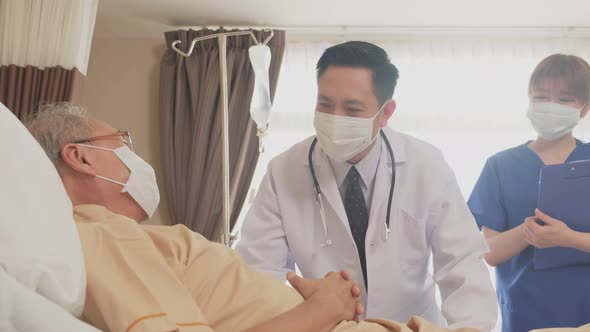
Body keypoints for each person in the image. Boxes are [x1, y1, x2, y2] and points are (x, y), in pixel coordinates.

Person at [25, 103, 473, 332]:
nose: (130, 152)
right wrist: (319, 310)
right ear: (80, 157)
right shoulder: (98, 231)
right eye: (120, 139)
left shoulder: (124, 237)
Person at [235, 41, 497, 329]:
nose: (335, 119)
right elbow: (259, 274)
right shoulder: (283, 171)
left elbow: (461, 265)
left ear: (385, 113)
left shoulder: (426, 165)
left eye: (352, 109)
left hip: (409, 326)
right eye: (325, 104)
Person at [467, 54, 590, 332]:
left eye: (564, 99)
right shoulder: (500, 165)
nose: (550, 107)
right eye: (541, 97)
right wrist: (527, 232)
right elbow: (490, 253)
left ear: (584, 108)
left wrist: (567, 238)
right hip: (526, 310)